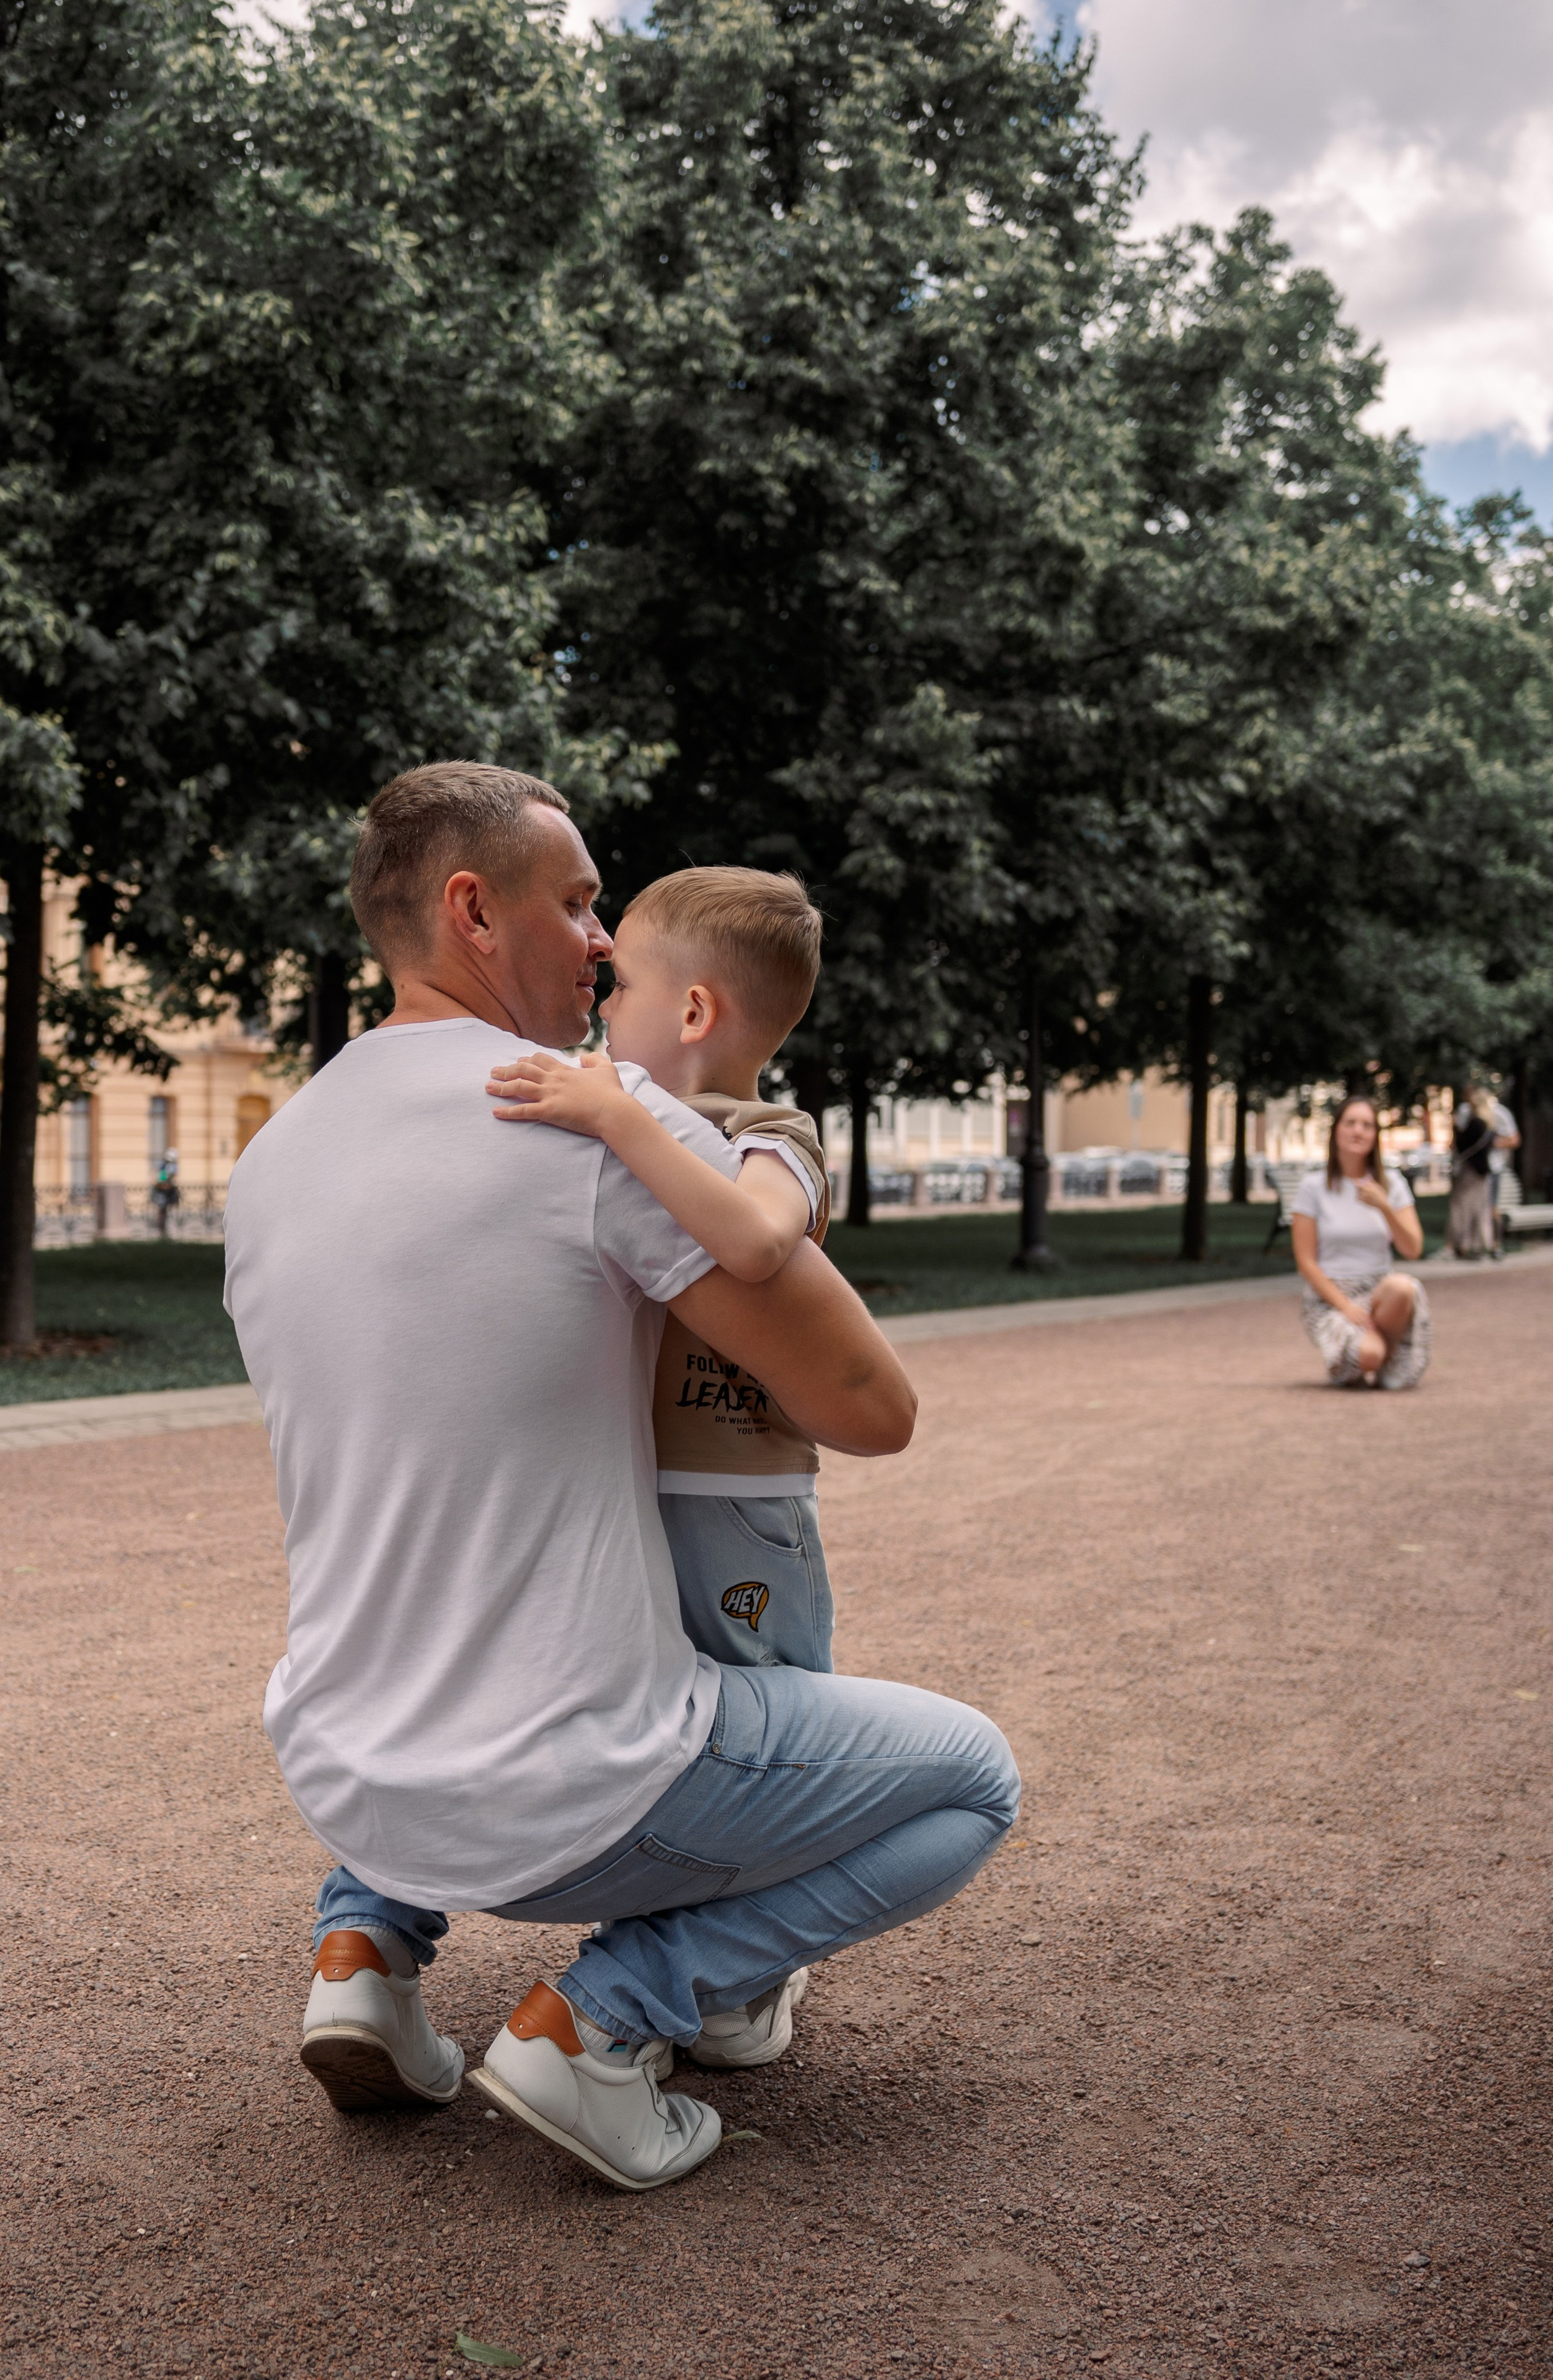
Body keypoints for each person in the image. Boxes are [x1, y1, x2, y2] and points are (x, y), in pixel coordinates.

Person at [223, 763, 1019, 2194]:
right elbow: (866, 1404)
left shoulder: (276, 1156)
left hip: (348, 1776)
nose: (602, 940)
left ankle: (362, 1955)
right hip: (566, 1794)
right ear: (475, 910)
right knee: (972, 1782)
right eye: (581, 902)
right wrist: (715, 1142)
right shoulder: (584, 1123)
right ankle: (602, 2017)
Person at [486, 866, 838, 1675]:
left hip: (733, 1489)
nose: (603, 1004)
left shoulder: (776, 1134)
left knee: (778, 1703)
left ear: (692, 1012)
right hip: (634, 1484)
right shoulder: (625, 1119)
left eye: (623, 986)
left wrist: (620, 1119)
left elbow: (753, 1241)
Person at [1290, 1094, 1430, 1390]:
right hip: (1330, 1296)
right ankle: (1378, 1356)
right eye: (1350, 1123)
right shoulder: (1313, 1187)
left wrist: (1384, 1206)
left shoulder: (1390, 1184)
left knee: (1404, 1287)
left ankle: (1380, 1356)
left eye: (1367, 1125)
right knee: (1369, 1355)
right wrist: (1346, 1307)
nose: (1358, 1131)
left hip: (1378, 1290)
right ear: (1336, 1131)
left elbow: (1413, 1249)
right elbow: (1306, 1261)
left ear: (1375, 1136)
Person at [1451, 1083, 1520, 1257]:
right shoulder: (1468, 1112)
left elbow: (1514, 1139)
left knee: (1485, 1208)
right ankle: (1480, 1245)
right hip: (1484, 1168)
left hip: (1490, 1168)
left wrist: (1493, 1144)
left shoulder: (1497, 1114)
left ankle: (1492, 1245)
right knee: (1480, 1208)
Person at [1448, 1089, 1498, 1258]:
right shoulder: (1489, 1125)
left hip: (1470, 1172)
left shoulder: (1476, 1123)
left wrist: (1455, 1127)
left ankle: (1461, 1244)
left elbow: (1461, 1145)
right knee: (1481, 1209)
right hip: (1483, 1173)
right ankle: (1482, 1244)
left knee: (1462, 1207)